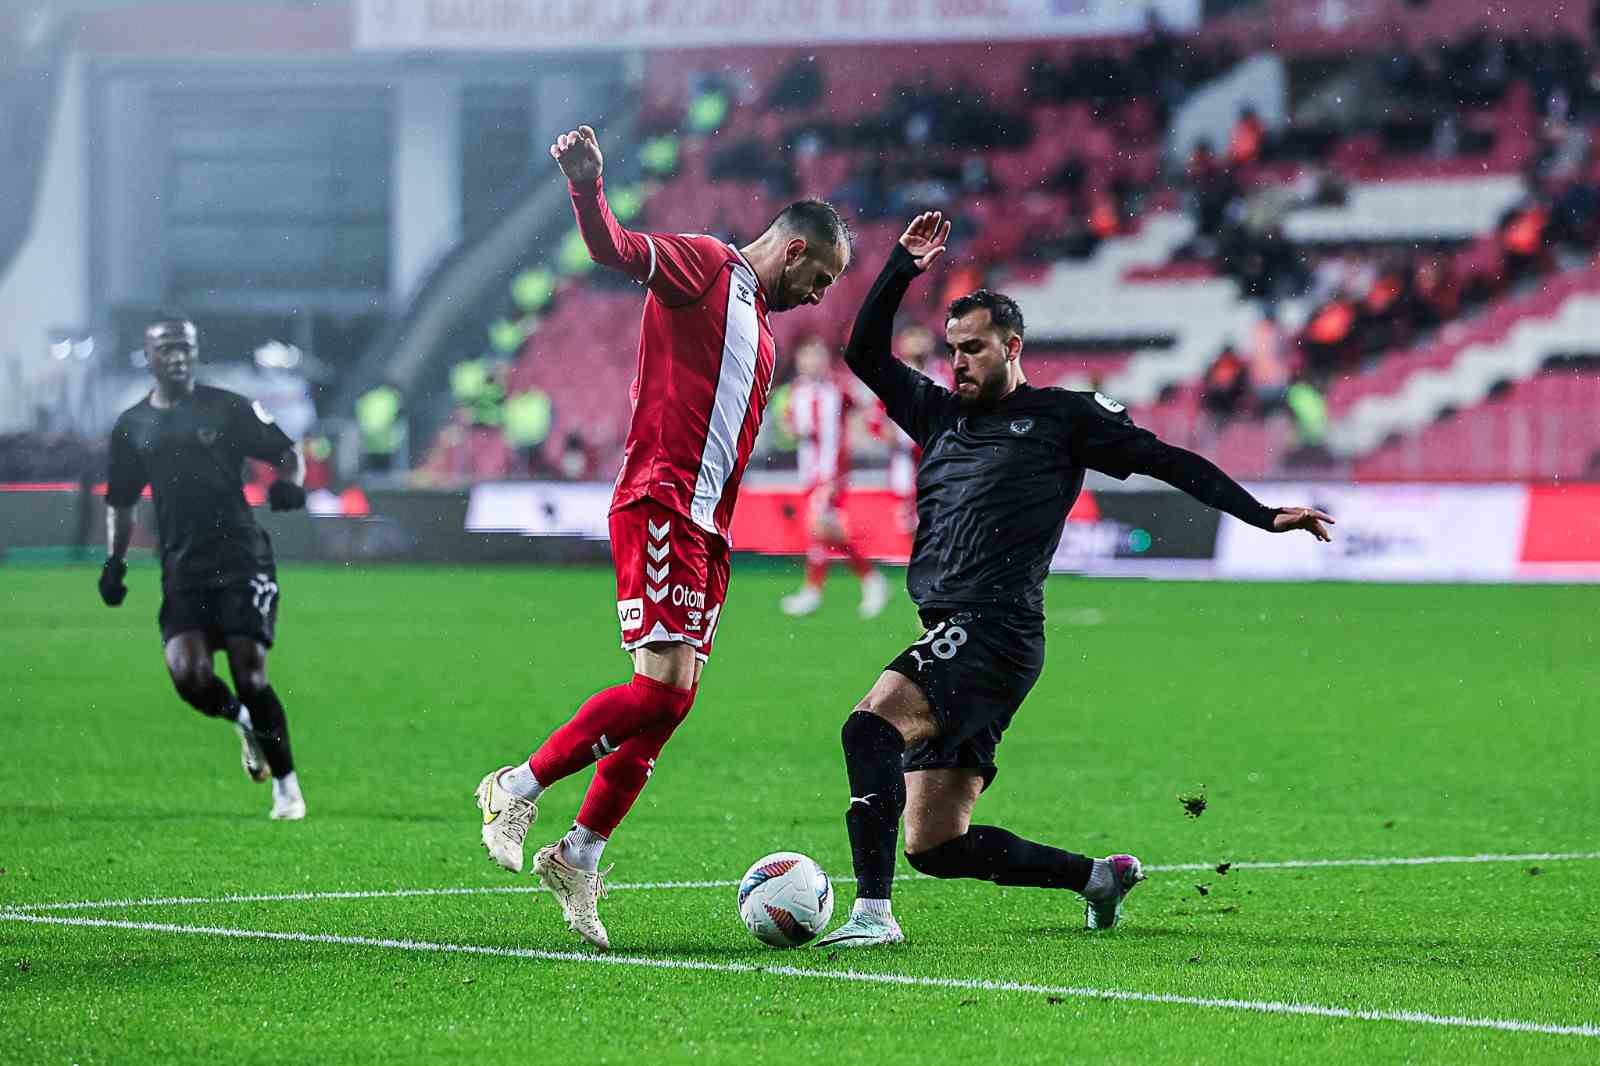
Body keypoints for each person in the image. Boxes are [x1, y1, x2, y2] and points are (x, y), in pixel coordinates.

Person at [815, 214, 1334, 947]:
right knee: (936, 846)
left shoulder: (1064, 418)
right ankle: (1098, 877)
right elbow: (863, 350)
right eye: (951, 350)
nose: (957, 364)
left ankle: (872, 915)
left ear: (1012, 347)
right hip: (954, 632)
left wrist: (1260, 514)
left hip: (993, 630)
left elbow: (1166, 460)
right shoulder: (938, 414)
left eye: (973, 350)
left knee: (869, 725)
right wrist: (900, 267)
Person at [474, 124, 850, 950]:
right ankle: (517, 785)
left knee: (670, 705)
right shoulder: (709, 267)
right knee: (655, 693)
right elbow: (612, 248)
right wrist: (585, 186)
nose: (818, 295)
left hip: (707, 526)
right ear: (792, 251)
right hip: (661, 504)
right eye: (818, 278)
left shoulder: (766, 334)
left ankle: (580, 853)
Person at [100, 313, 308, 820]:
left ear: (195, 351)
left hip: (242, 558)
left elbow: (286, 452)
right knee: (189, 676)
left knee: (250, 674)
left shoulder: (227, 407)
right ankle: (242, 724)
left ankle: (287, 788)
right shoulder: (132, 425)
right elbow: (121, 502)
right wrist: (115, 563)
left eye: (185, 347)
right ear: (148, 356)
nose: (177, 356)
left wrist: (289, 483)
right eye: (166, 348)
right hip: (183, 568)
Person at [779, 336, 888, 619]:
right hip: (808, 473)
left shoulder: (838, 388)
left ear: (825, 360)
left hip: (832, 473)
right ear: (799, 360)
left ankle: (818, 591)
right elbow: (788, 427)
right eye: (806, 356)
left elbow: (867, 406)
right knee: (825, 532)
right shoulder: (795, 392)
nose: (811, 362)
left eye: (817, 356)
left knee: (817, 527)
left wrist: (866, 433)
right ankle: (869, 578)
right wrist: (790, 430)